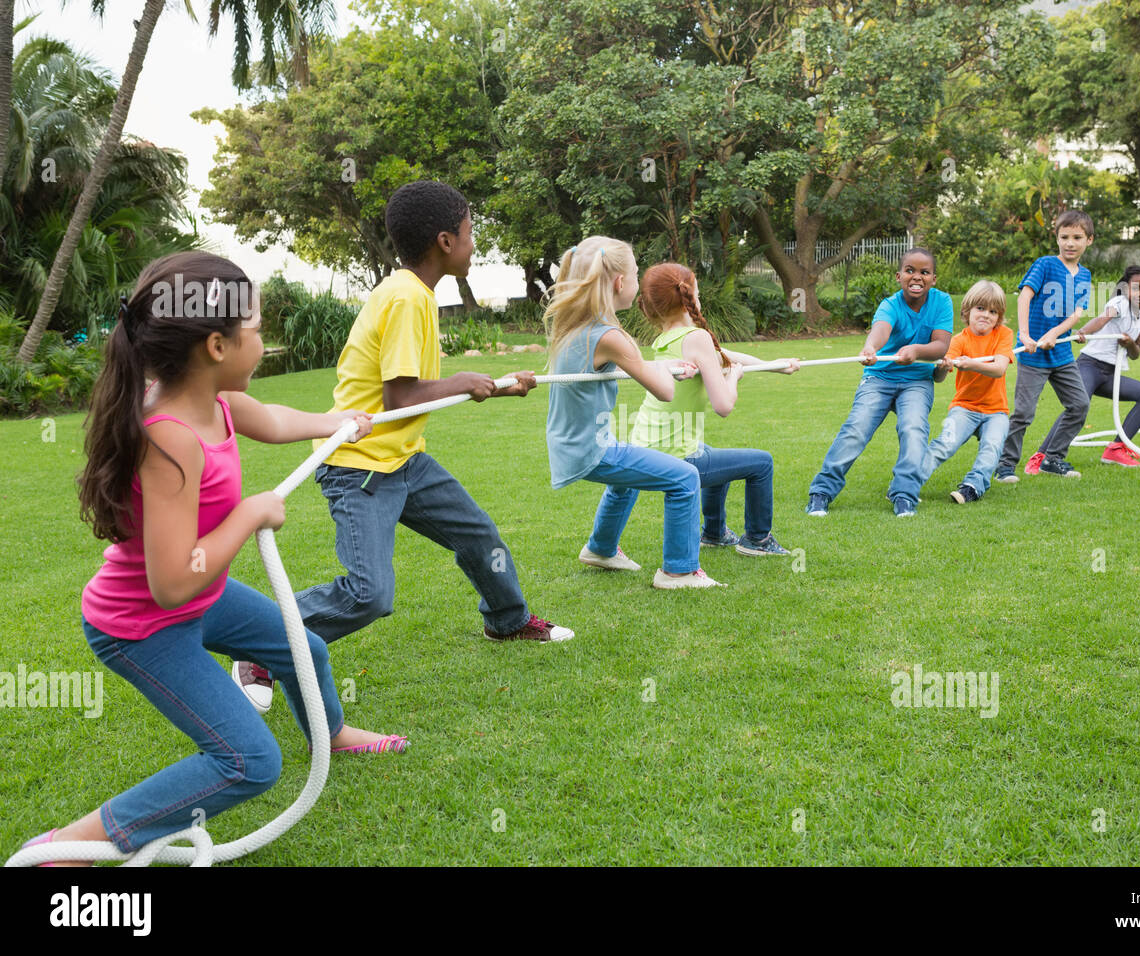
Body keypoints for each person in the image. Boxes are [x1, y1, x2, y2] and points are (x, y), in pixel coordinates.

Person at [23, 252, 405, 866]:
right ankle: (69, 847)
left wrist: (338, 422)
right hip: (144, 624)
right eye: (256, 328)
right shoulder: (170, 437)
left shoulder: (216, 402)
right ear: (217, 346)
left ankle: (329, 735)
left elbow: (277, 419)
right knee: (250, 762)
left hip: (204, 595)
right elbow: (172, 583)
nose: (265, 337)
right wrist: (250, 514)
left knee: (304, 649)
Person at [235, 181, 573, 713]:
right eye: (468, 233)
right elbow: (402, 394)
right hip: (360, 468)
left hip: (404, 460)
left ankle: (507, 623)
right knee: (370, 595)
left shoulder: (414, 291)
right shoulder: (407, 296)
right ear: (444, 240)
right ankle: (258, 647)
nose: (473, 243)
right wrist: (464, 380)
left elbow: (415, 394)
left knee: (479, 536)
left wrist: (497, 385)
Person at [544, 237, 723, 589]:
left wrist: (664, 363)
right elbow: (665, 391)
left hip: (573, 443)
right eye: (637, 274)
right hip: (591, 449)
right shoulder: (610, 335)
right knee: (685, 478)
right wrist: (671, 371)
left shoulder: (576, 324)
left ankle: (601, 549)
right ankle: (678, 571)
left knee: (626, 482)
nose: (639, 284)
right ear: (619, 282)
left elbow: (630, 365)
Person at [614, 262, 798, 555]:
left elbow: (726, 356)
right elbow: (723, 405)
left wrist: (775, 366)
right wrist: (733, 378)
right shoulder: (695, 338)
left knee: (713, 455)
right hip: (676, 455)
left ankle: (714, 533)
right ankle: (758, 540)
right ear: (690, 297)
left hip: (651, 446)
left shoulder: (666, 339)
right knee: (761, 463)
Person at [806, 248, 954, 518]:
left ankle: (905, 495)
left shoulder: (942, 302)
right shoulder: (890, 304)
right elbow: (880, 331)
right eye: (910, 270)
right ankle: (822, 492)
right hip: (879, 377)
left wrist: (916, 351)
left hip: (917, 381)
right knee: (856, 429)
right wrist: (869, 347)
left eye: (924, 272)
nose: (916, 276)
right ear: (899, 276)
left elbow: (941, 345)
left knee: (913, 429)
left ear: (933, 278)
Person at [994, 210, 1094, 482]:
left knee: (1079, 405)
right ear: (1057, 238)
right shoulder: (1045, 264)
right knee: (1024, 413)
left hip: (1061, 354)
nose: (1070, 243)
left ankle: (1053, 459)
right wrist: (1025, 335)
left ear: (1089, 241)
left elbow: (1077, 313)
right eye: (1064, 237)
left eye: (1077, 237)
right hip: (1033, 354)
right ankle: (1004, 466)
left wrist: (1056, 333)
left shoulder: (1084, 275)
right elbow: (1025, 296)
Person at [923, 280, 1015, 503]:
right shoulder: (958, 341)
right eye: (980, 309)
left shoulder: (1003, 334)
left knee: (992, 446)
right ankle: (907, 482)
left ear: (999, 316)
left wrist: (970, 363)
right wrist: (943, 367)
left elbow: (999, 368)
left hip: (996, 411)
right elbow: (939, 377)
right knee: (945, 444)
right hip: (964, 407)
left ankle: (973, 486)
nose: (986, 315)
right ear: (967, 311)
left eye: (993, 311)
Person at [1073, 264, 1140, 467]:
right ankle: (1043, 455)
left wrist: (1129, 343)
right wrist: (1083, 332)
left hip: (1110, 375)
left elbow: (1136, 353)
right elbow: (1101, 319)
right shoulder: (1120, 302)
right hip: (1089, 366)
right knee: (1079, 406)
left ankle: (1116, 449)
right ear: (1126, 288)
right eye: (1136, 287)